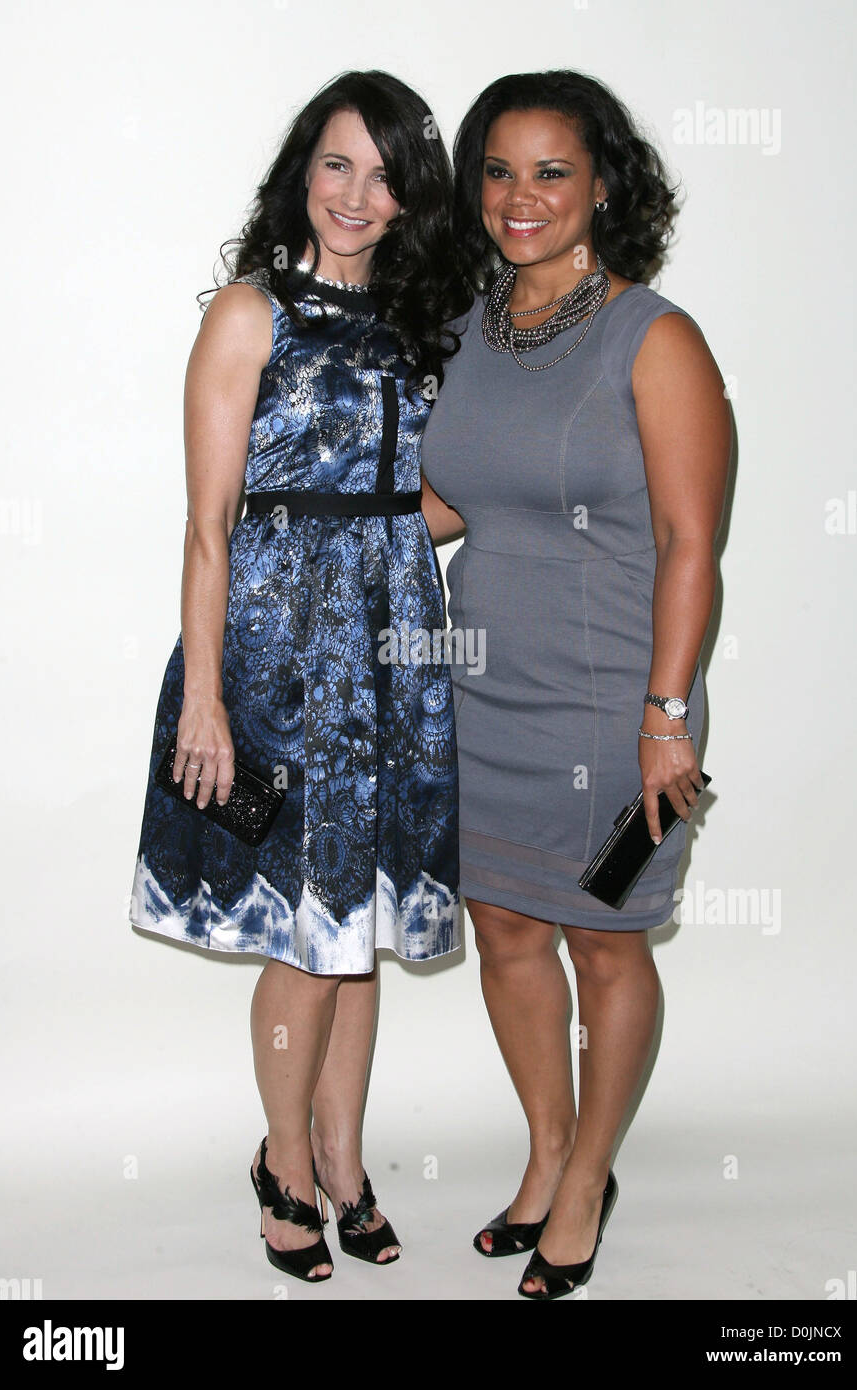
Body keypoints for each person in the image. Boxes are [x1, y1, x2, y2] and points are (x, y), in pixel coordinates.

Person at [128, 70, 471, 1283]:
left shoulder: (425, 326)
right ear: (302, 171)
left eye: (385, 176)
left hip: (392, 659)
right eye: (338, 164)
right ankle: (283, 1160)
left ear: (410, 198)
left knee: (358, 925)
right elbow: (210, 525)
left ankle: (343, 1154)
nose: (357, 195)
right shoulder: (248, 313)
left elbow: (415, 505)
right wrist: (207, 698)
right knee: (304, 928)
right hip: (273, 666)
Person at [421, 70, 731, 1299]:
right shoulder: (469, 329)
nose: (521, 197)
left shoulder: (655, 337)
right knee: (504, 926)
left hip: (617, 715)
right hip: (483, 692)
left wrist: (667, 721)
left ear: (604, 183)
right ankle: (547, 1151)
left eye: (552, 170)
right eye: (498, 170)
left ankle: (591, 1172)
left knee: (605, 941)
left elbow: (692, 542)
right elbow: (458, 498)